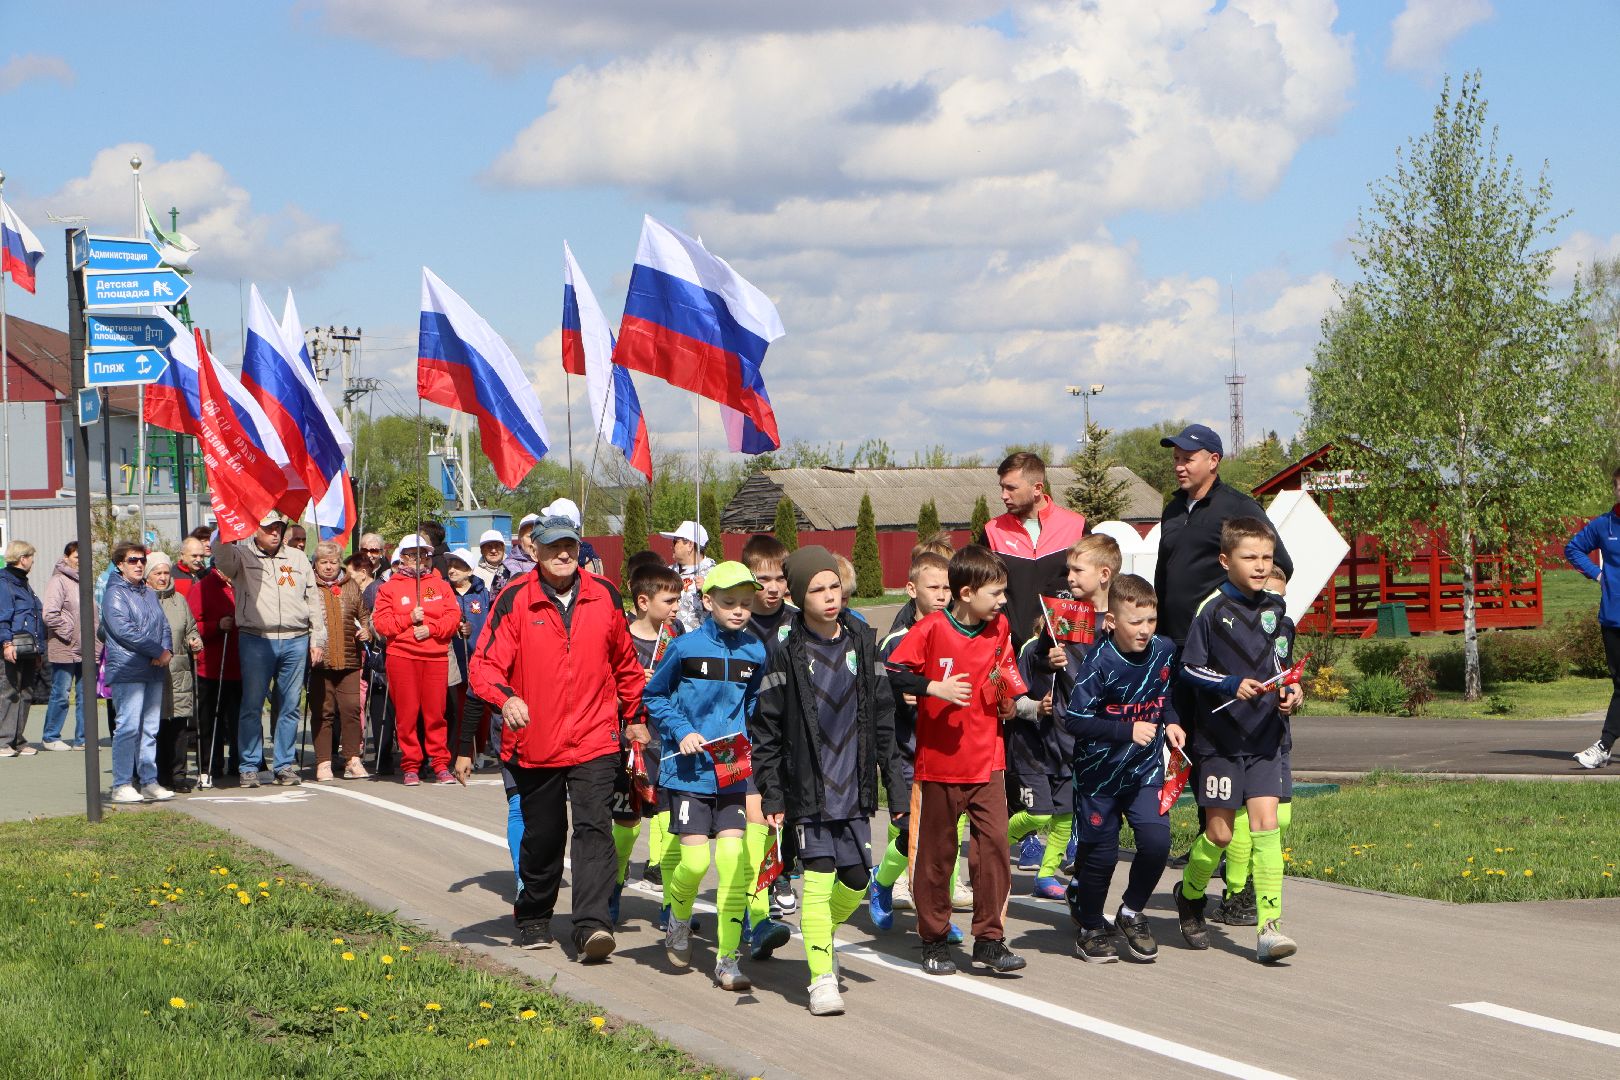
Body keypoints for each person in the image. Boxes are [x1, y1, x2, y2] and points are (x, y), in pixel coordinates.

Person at [470, 513, 644, 962]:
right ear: (535, 551)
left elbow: (625, 663)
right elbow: (484, 666)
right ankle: (533, 915)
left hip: (595, 738)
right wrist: (505, 698)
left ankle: (591, 927)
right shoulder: (513, 599)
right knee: (545, 835)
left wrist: (634, 715)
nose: (563, 554)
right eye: (552, 547)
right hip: (535, 741)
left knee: (593, 831)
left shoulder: (604, 595)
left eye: (569, 545)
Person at [753, 546, 907, 1016]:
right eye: (817, 589)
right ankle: (820, 977)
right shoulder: (784, 651)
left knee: (857, 880)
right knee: (817, 880)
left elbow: (883, 718)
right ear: (800, 597)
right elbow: (767, 730)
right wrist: (774, 792)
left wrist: (895, 787)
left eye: (833, 586)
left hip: (854, 788)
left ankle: (823, 936)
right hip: (807, 792)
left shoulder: (862, 640)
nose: (829, 596)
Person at [886, 544, 1026, 976]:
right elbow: (895, 670)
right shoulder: (931, 629)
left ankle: (990, 939)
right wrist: (933, 688)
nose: (1003, 601)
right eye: (996, 592)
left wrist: (1011, 702)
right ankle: (934, 937)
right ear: (966, 592)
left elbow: (1005, 671)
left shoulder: (999, 626)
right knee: (937, 855)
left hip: (989, 760)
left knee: (995, 849)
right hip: (939, 764)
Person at [1173, 517, 1303, 964]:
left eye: (1267, 557)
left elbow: (1282, 672)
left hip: (1266, 739)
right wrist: (1231, 684)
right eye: (1250, 557)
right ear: (1225, 560)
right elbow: (1188, 669)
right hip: (1220, 742)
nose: (1261, 565)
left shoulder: (1279, 614)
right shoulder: (1210, 612)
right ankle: (1189, 894)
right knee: (1221, 834)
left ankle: (1269, 927)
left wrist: (1292, 693)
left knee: (1268, 828)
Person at [643, 561, 766, 991]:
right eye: (729, 602)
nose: (738, 611)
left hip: (732, 774)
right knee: (694, 862)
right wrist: (683, 731)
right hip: (688, 773)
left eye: (746, 603)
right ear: (708, 601)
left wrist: (751, 748)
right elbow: (654, 696)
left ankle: (728, 961)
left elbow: (752, 706)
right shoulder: (685, 646)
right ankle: (677, 918)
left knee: (733, 867)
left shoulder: (756, 651)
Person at [1063, 574, 1183, 963]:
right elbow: (1075, 720)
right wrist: (1126, 730)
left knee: (1156, 843)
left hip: (1145, 772)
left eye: (1151, 621)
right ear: (1111, 621)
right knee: (1102, 855)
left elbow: (1163, 694)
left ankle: (1131, 912)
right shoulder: (1099, 663)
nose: (1145, 630)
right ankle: (1091, 926)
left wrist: (1174, 721)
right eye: (1136, 622)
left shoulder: (1164, 650)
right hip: (1099, 775)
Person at [870, 551, 967, 929]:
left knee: (941, 839)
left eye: (948, 587)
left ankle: (933, 911)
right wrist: (902, 695)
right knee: (915, 832)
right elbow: (877, 692)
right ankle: (884, 883)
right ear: (911, 589)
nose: (942, 595)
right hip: (906, 751)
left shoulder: (958, 632)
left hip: (947, 749)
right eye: (934, 587)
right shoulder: (896, 641)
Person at [214, 514, 326, 788]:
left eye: (279, 529)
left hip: (295, 638)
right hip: (257, 638)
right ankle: (249, 765)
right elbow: (222, 560)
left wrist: (318, 640)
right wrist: (225, 528)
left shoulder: (297, 559)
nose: (275, 534)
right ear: (255, 530)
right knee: (252, 705)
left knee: (289, 706)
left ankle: (285, 765)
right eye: (269, 529)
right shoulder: (241, 555)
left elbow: (313, 600)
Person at [1211, 562, 1294, 927]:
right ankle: (1235, 891)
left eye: (1282, 598)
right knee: (1238, 825)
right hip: (1231, 737)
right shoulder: (1219, 617)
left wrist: (1294, 693)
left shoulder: (1284, 629)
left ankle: (1264, 914)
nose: (1276, 605)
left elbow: (1289, 675)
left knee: (1278, 819)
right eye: (1271, 596)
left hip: (1274, 734)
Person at [739, 534, 801, 930]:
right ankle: (758, 893)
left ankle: (783, 869)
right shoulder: (738, 623)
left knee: (789, 809)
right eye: (763, 579)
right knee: (758, 816)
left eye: (780, 578)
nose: (773, 587)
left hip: (790, 733)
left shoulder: (797, 620)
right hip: (749, 734)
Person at [372, 535, 460, 786]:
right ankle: (410, 764)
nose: (421, 559)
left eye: (425, 554)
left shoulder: (440, 585)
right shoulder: (389, 588)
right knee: (408, 714)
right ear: (403, 557)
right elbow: (381, 624)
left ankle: (440, 763)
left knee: (436, 714)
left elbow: (453, 617)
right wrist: (409, 619)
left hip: (435, 656)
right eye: (414, 554)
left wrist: (431, 629)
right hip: (402, 657)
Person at [624, 563, 682, 905]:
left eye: (678, 600)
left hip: (665, 733)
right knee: (627, 814)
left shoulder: (678, 638)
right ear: (643, 602)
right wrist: (633, 683)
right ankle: (616, 879)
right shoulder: (622, 636)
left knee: (665, 805)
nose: (676, 608)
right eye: (669, 601)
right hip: (627, 734)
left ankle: (663, 877)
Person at [984, 452, 1087, 645]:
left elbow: (1094, 588)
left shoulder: (1077, 526)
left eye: (1011, 488)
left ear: (1037, 488)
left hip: (1065, 650)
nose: (1003, 495)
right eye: (1002, 487)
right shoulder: (991, 531)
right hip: (1009, 651)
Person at [101, 543, 174, 803]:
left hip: (153, 668)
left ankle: (149, 780)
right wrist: (156, 650)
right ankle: (121, 783)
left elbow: (163, 624)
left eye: (142, 560)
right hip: (128, 668)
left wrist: (166, 650)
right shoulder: (114, 594)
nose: (139, 564)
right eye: (132, 560)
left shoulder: (149, 592)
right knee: (128, 727)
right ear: (120, 564)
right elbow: (124, 630)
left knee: (150, 728)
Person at [1565, 469, 1620, 769]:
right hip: (1613, 617)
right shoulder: (1603, 525)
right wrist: (1598, 574)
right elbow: (1572, 549)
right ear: (1614, 490)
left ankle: (1603, 745)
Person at [309, 541, 367, 781]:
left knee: (352, 709)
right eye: (324, 562)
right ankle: (323, 762)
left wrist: (367, 629)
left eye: (333, 562)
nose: (329, 567)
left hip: (350, 659)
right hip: (320, 662)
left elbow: (364, 615)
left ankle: (352, 759)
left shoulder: (351, 585)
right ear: (315, 564)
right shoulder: (309, 585)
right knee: (323, 712)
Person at [145, 553, 203, 792]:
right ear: (148, 576)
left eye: (166, 573)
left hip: (179, 670)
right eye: (157, 573)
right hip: (153, 669)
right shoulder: (142, 599)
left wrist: (195, 641)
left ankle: (179, 775)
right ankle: (156, 774)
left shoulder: (179, 599)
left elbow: (191, 629)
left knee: (179, 725)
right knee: (155, 725)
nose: (162, 577)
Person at [189, 557, 243, 786]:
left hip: (241, 665)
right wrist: (216, 625)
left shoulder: (243, 584)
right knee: (211, 719)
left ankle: (241, 763)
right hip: (211, 666)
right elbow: (192, 626)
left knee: (240, 719)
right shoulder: (202, 588)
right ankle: (210, 765)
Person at [445, 549, 491, 765]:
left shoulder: (482, 593)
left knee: (479, 707)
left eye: (458, 565)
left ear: (470, 569)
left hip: (477, 657)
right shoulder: (443, 591)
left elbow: (490, 623)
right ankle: (458, 752)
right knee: (457, 708)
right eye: (450, 564)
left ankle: (480, 750)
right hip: (453, 659)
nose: (452, 569)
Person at [41, 541, 88, 751]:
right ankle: (51, 736)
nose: (81, 561)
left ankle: (83, 738)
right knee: (61, 692)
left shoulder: (86, 580)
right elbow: (49, 614)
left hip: (86, 647)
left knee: (85, 694)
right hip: (65, 645)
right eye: (77, 557)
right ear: (66, 557)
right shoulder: (58, 581)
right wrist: (69, 632)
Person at [0, 540, 45, 757]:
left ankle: (18, 740)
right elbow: (3, 617)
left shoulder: (24, 584)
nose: (33, 562)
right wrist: (6, 644)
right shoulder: (4, 582)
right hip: (12, 646)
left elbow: (34, 616)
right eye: (31, 557)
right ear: (22, 558)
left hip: (29, 648)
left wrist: (39, 651)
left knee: (26, 692)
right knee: (8, 691)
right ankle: (3, 740)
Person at [660, 521, 715, 632]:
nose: (672, 546)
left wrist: (710, 591)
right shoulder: (667, 573)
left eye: (675, 541)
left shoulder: (714, 574)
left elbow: (724, 610)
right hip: (670, 640)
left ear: (689, 545)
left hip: (700, 643)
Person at [503, 514, 541, 580]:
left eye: (539, 536)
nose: (534, 541)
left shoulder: (551, 563)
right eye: (530, 536)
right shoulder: (507, 568)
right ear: (520, 538)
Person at [474, 529, 511, 594]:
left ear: (503, 548)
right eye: (489, 547)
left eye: (497, 546)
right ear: (482, 551)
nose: (493, 551)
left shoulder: (513, 569)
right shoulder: (475, 574)